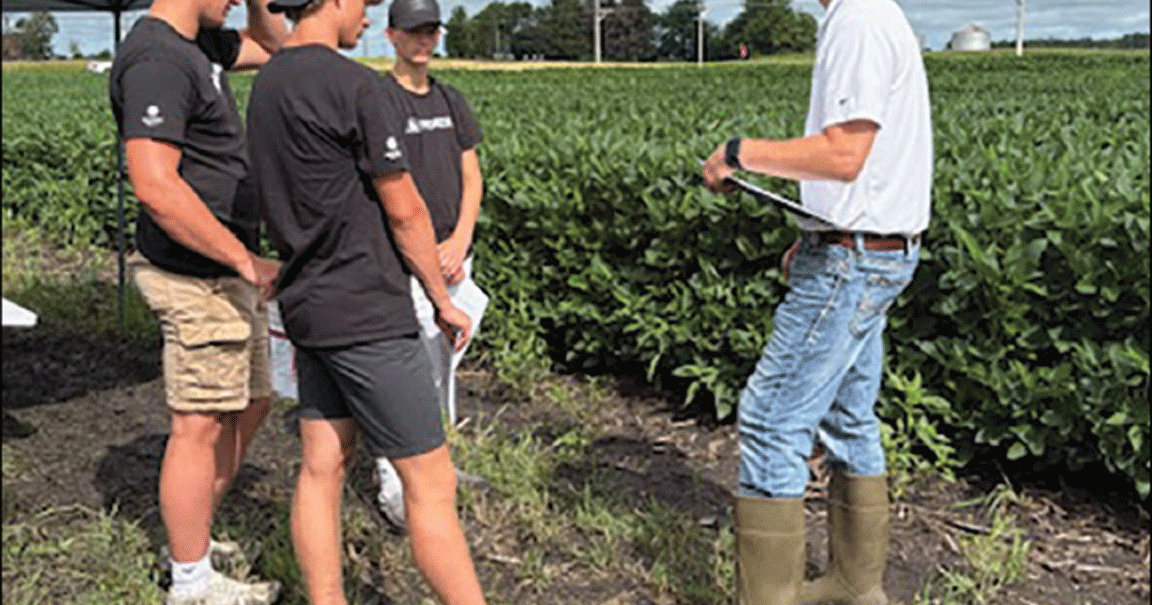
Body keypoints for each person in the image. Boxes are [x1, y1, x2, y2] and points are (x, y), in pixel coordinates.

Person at [246, 1, 487, 604]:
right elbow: (405, 211)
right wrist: (440, 298)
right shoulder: (355, 84)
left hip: (307, 305)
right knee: (430, 480)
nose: (366, 14)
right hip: (367, 310)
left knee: (322, 466)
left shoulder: (268, 80)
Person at [701, 0, 932, 603]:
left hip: (852, 261)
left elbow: (843, 155)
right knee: (848, 417)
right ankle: (856, 588)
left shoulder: (857, 19)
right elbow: (866, 165)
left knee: (772, 419)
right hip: (867, 251)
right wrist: (816, 231)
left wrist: (739, 152)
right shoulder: (874, 14)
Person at [109, 1, 288, 603]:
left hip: (224, 268)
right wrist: (244, 259)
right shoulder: (157, 57)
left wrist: (262, 5)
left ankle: (192, 535)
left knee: (252, 403)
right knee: (199, 421)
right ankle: (190, 583)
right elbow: (156, 186)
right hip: (195, 273)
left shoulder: (203, 44)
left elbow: (282, 52)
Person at [373, 0, 487, 532]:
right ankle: (392, 477)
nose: (424, 41)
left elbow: (472, 179)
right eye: (414, 31)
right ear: (391, 36)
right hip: (405, 261)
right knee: (404, 364)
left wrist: (460, 241)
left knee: (443, 359)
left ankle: (437, 462)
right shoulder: (380, 101)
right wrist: (426, 255)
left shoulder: (450, 99)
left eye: (431, 31)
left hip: (453, 259)